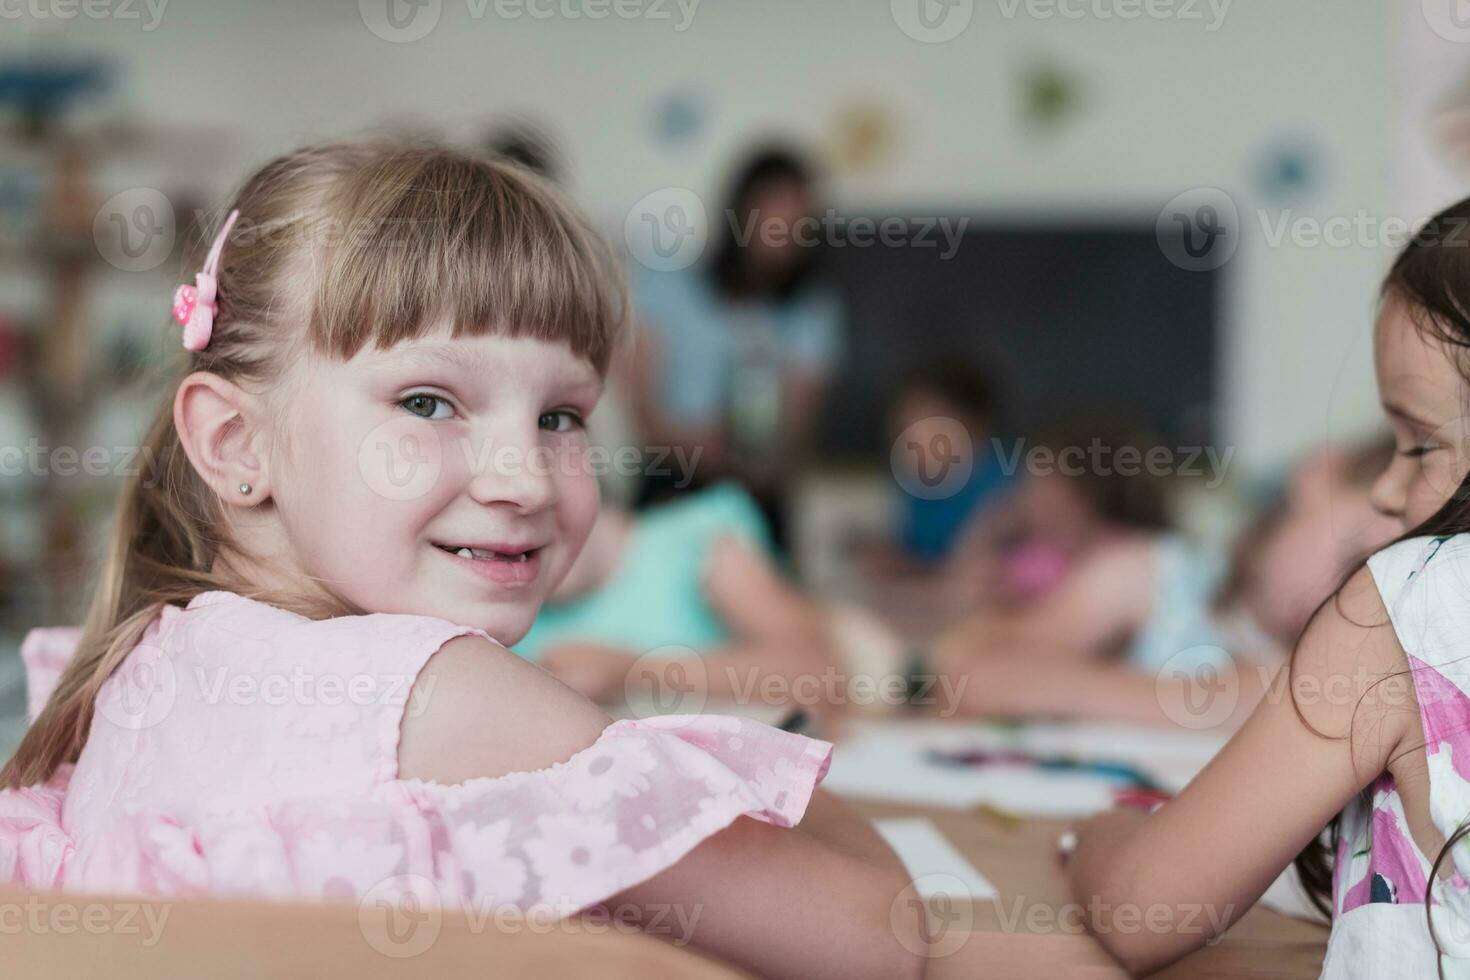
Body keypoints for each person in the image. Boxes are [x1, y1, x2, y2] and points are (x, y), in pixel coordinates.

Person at [0, 141, 924, 980]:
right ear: (236, 443)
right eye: (430, 403)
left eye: (561, 417)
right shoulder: (443, 691)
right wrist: (781, 784)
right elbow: (876, 941)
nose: (523, 478)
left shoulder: (148, 656)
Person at [1065, 195, 1470, 977]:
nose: (1388, 490)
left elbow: (1141, 909)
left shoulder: (1409, 599)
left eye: (1418, 445)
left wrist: (1099, 835)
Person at [931, 434, 1397, 728]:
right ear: (1322, 475)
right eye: (1355, 559)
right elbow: (968, 668)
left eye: (1386, 588)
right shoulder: (1153, 576)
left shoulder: (1347, 666)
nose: (1344, 596)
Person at [630, 147, 845, 549]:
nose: (785, 230)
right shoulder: (667, 283)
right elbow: (644, 411)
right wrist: (698, 445)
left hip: (758, 496)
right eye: (774, 212)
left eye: (800, 220)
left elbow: (793, 432)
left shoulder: (812, 311)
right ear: (742, 210)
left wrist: (749, 458)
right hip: (670, 483)